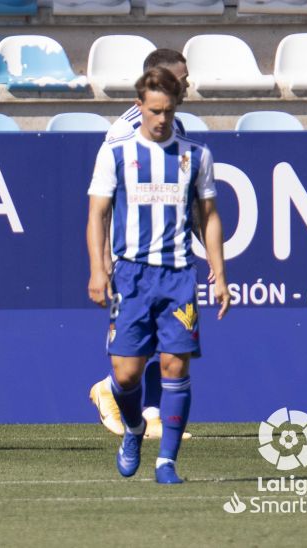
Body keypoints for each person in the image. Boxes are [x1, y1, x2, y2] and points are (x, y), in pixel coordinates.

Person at [86, 67, 230, 483]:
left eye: (168, 110)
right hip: (131, 276)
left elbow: (210, 216)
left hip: (179, 275)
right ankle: (133, 430)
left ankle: (167, 461)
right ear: (140, 106)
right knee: (127, 374)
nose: (161, 119)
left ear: (176, 107)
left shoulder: (195, 156)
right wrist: (99, 268)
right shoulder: (116, 153)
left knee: (174, 367)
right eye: (153, 110)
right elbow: (97, 214)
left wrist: (218, 272)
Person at [89, 49, 197, 439]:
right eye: (183, 76)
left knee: (168, 336)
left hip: (169, 254)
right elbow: (105, 205)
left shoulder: (176, 127)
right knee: (142, 339)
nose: (189, 83)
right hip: (130, 254)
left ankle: (150, 412)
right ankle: (111, 390)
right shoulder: (122, 133)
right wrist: (103, 264)